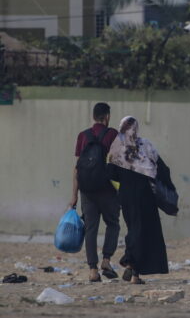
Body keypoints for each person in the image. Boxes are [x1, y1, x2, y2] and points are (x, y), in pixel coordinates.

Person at [107, 116, 174, 284]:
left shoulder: (117, 147)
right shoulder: (146, 145)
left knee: (133, 229)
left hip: (127, 194)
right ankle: (132, 267)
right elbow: (162, 169)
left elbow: (110, 173)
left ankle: (132, 265)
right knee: (143, 231)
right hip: (145, 194)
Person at [69, 102, 120, 282]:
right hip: (107, 189)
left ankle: (92, 270)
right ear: (106, 116)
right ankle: (106, 260)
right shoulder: (113, 134)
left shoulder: (83, 135)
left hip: (86, 190)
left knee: (91, 229)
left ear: (93, 117)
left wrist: (74, 195)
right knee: (113, 224)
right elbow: (118, 162)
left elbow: (77, 168)